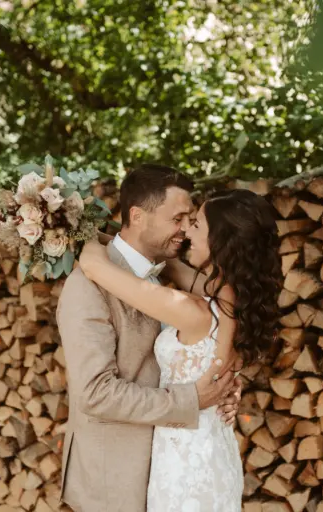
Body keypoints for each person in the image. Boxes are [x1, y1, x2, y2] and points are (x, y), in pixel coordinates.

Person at [78, 185, 283, 511]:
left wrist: (78, 229)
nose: (186, 229)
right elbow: (173, 268)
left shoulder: (193, 311)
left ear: (220, 243)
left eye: (197, 225)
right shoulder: (236, 300)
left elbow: (94, 267)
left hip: (186, 467)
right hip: (214, 455)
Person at [57, 165, 245, 512]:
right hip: (114, 479)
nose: (186, 229)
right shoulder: (87, 286)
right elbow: (95, 394)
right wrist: (193, 400)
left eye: (191, 219)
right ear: (138, 216)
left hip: (170, 471)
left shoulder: (162, 277)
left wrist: (222, 380)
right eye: (178, 218)